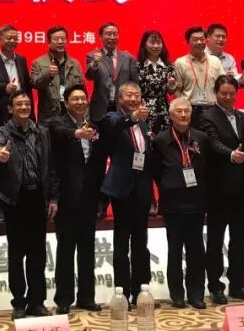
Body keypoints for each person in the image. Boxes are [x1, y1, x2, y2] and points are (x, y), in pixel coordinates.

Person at [0, 91, 57, 319]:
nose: (24, 107)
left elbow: (51, 166)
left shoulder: (41, 132)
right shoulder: (3, 132)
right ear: (10, 108)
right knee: (17, 253)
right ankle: (19, 302)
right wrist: (0, 154)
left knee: (38, 253)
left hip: (38, 197)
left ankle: (37, 301)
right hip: (15, 199)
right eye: (19, 104)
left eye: (27, 104)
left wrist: (53, 198)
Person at [200, 75, 244, 304]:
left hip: (241, 188)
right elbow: (213, 143)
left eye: (232, 93)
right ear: (216, 93)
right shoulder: (207, 117)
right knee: (215, 240)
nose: (228, 97)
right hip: (218, 189)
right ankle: (215, 286)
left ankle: (237, 284)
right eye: (223, 93)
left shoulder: (242, 117)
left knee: (240, 240)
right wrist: (230, 155)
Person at [48, 84, 101, 313]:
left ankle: (87, 297)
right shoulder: (58, 123)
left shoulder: (93, 126)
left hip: (89, 198)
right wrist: (77, 134)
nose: (80, 102)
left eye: (82, 98)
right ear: (66, 102)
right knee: (66, 250)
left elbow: (97, 163)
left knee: (88, 250)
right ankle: (64, 299)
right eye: (75, 99)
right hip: (67, 198)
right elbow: (59, 133)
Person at [99, 82, 152, 304]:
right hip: (122, 189)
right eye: (129, 95)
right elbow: (114, 127)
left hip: (142, 188)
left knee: (141, 242)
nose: (133, 99)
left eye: (137, 95)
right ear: (120, 98)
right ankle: (122, 293)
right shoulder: (112, 118)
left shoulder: (143, 122)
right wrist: (132, 117)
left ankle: (142, 290)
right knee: (121, 244)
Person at [152, 97, 208, 309]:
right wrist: (169, 184)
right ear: (171, 115)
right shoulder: (161, 140)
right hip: (173, 203)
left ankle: (196, 294)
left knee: (196, 250)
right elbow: (156, 170)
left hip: (196, 202)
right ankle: (177, 294)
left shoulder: (201, 138)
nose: (183, 115)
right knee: (174, 250)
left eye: (187, 111)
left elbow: (207, 167)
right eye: (179, 111)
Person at [84, 22, 139, 123]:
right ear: (100, 36)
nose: (112, 37)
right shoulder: (92, 56)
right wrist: (95, 63)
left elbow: (135, 84)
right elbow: (89, 76)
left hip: (123, 107)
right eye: (108, 34)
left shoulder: (129, 58)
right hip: (100, 108)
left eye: (115, 34)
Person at [31, 25, 83, 126]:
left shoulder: (75, 63)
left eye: (63, 39)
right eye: (56, 39)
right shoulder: (39, 62)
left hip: (72, 114)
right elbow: (34, 83)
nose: (60, 42)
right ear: (49, 42)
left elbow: (82, 89)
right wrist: (48, 75)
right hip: (49, 116)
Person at [172, 25, 220, 127]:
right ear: (188, 42)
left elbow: (221, 86)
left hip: (212, 109)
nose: (199, 42)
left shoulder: (215, 61)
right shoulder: (180, 63)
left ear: (206, 40)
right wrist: (182, 108)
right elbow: (177, 89)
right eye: (195, 39)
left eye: (202, 39)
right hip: (190, 110)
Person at [136, 29, 174, 137]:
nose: (156, 46)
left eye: (159, 43)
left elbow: (171, 91)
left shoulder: (169, 65)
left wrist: (171, 86)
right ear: (145, 45)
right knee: (146, 138)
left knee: (164, 138)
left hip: (163, 108)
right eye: (152, 43)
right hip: (144, 108)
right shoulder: (138, 66)